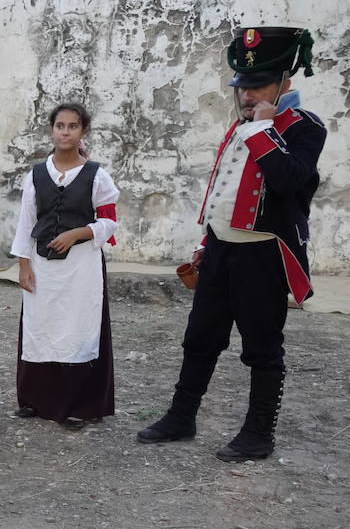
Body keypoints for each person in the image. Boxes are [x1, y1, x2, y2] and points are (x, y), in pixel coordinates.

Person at [138, 26, 324, 461]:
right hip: (222, 247)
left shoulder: (304, 127)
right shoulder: (242, 124)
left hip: (263, 252)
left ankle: (259, 434)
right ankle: (182, 417)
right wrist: (208, 238)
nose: (246, 95)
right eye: (242, 86)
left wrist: (262, 131)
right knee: (200, 337)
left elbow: (290, 180)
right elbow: (226, 187)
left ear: (285, 84)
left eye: (257, 85)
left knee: (261, 345)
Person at [10, 103, 120, 429]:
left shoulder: (97, 175)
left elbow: (110, 222)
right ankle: (34, 399)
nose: (65, 131)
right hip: (43, 266)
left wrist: (78, 233)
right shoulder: (36, 174)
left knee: (77, 328)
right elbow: (25, 222)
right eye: (60, 125)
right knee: (41, 327)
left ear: (82, 131)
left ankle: (80, 405)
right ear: (52, 129)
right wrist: (23, 265)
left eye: (73, 126)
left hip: (81, 267)